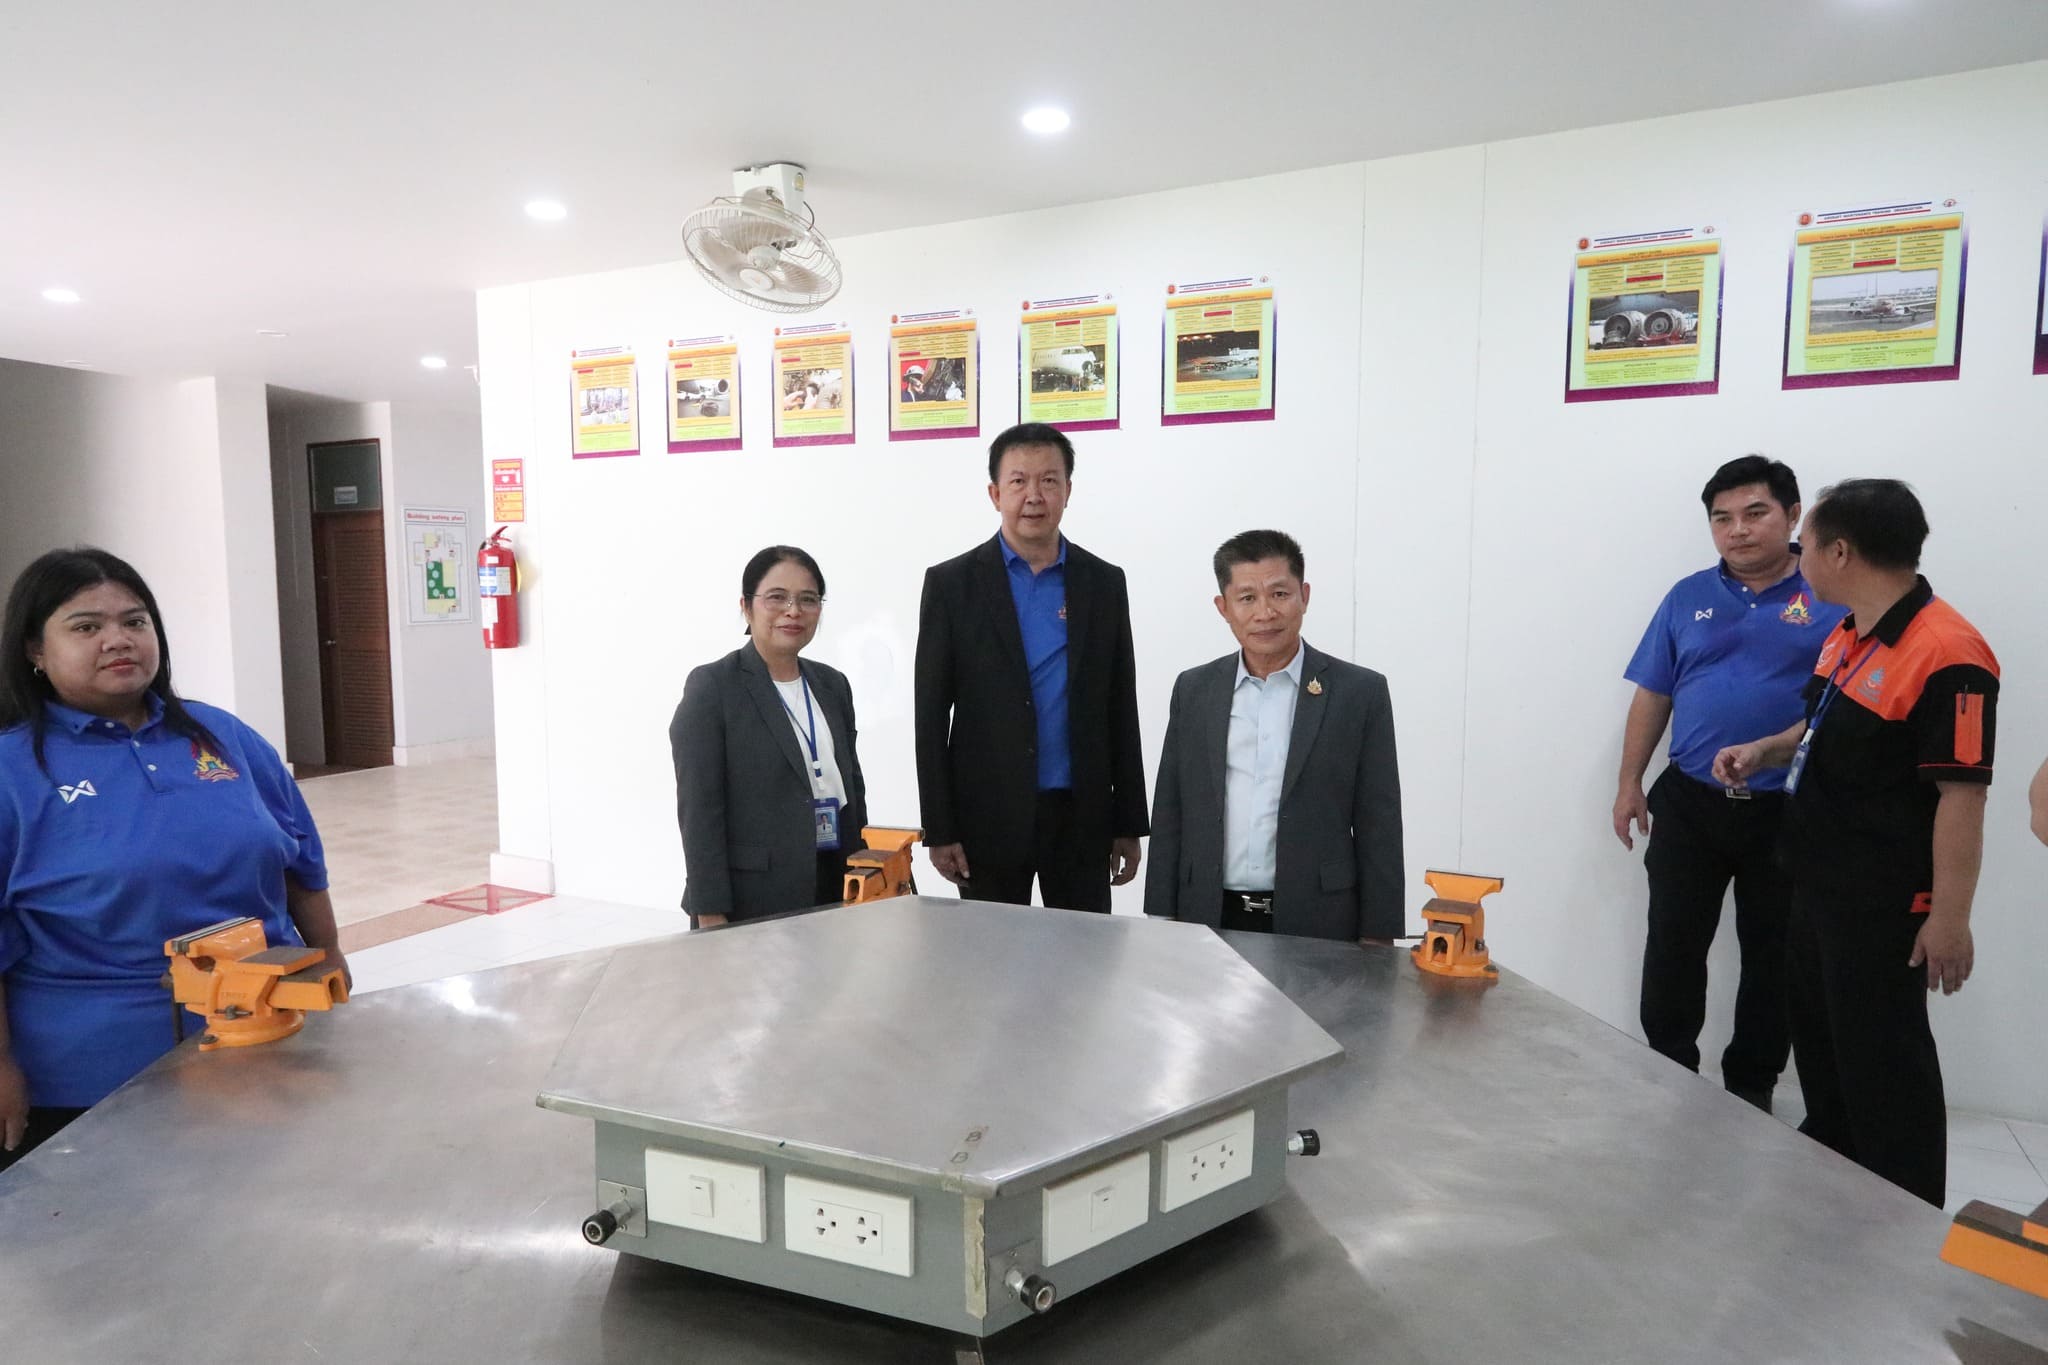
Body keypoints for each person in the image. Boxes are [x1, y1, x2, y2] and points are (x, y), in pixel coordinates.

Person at [0, 548, 345, 1171]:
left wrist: (330, 957)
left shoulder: (222, 735)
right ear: (35, 650)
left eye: (135, 621)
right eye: (86, 626)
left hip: (266, 1036)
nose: (118, 640)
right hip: (92, 1075)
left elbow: (301, 861)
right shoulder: (12, 770)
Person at [1712, 479, 1996, 1206]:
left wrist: (1950, 918)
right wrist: (1766, 749)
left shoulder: (1948, 652)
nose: (1798, 554)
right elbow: (1821, 730)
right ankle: (1835, 1193)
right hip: (1816, 884)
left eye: (1805, 543)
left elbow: (1962, 796)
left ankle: (1902, 1214)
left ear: (1840, 552)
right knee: (1826, 1053)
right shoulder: (1850, 633)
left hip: (1882, 902)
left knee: (1884, 1066)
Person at [1614, 455, 1844, 1111]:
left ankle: (1751, 1085)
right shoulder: (1687, 596)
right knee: (1673, 944)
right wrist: (1630, 782)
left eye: (1754, 513)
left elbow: (1844, 702)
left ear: (1793, 516)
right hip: (1690, 803)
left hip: (1787, 808)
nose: (1737, 530)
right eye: (1722, 518)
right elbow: (1653, 693)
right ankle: (1669, 1071)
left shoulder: (1831, 597)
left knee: (1775, 954)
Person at [915, 422, 1147, 911]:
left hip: (1080, 814)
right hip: (987, 815)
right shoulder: (952, 585)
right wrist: (940, 827)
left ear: (1068, 491)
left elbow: (1120, 704)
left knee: (1084, 952)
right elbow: (930, 716)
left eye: (1049, 480)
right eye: (1019, 481)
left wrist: (1127, 820)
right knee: (990, 954)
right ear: (996, 494)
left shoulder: (1104, 583)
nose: (1034, 496)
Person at [1145, 530, 1403, 941]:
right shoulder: (1194, 690)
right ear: (1223, 607)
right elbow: (1170, 808)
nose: (1265, 612)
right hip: (1207, 915)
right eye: (1247, 598)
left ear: (1304, 596)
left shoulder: (1359, 693)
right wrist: (1161, 915)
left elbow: (1379, 821)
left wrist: (1378, 933)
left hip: (1319, 920)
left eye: (1279, 594)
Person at [670, 546, 867, 928]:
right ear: (746, 607)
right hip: (754, 896)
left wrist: (865, 868)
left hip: (834, 880)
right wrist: (709, 910)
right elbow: (699, 811)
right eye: (777, 597)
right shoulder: (713, 687)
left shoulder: (832, 685)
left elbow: (852, 789)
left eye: (808, 599)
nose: (793, 611)